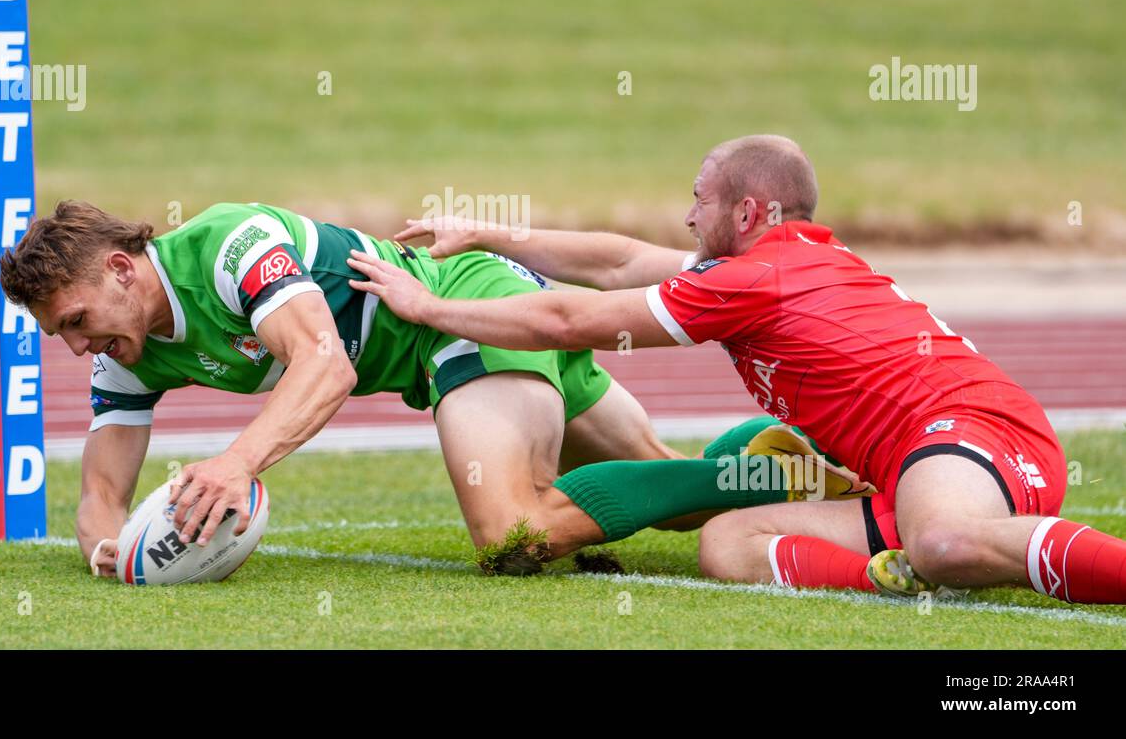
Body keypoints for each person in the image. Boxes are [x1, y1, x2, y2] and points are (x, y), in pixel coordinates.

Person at [347, 135, 1126, 603]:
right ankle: (894, 577)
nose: (689, 217)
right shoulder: (782, 258)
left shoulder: (753, 278)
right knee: (728, 545)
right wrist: (484, 233)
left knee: (948, 544)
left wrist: (428, 308)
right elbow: (617, 260)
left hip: (977, 436)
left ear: (748, 213)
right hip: (918, 468)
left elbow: (566, 318)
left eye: (699, 201)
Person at [0, 199, 824, 578]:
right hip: (455, 340)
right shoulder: (126, 350)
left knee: (513, 534)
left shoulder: (229, 246)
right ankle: (779, 467)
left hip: (465, 311)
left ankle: (789, 472)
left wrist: (235, 463)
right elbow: (99, 495)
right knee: (675, 496)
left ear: (118, 268)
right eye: (61, 336)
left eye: (75, 321)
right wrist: (115, 551)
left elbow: (327, 365)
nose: (77, 349)